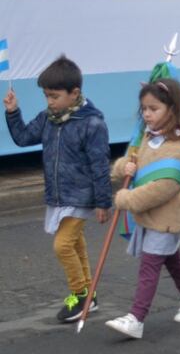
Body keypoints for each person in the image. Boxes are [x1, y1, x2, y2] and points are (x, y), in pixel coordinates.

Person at [3, 56, 111, 323]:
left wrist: (102, 202)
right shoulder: (48, 118)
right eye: (46, 96)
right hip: (59, 194)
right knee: (74, 243)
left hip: (81, 196)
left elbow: (100, 164)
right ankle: (89, 295)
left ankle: (79, 295)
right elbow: (23, 138)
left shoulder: (92, 123)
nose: (49, 102)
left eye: (54, 96)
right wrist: (13, 112)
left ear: (74, 93)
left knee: (62, 245)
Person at [104, 79, 180, 339]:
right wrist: (123, 166)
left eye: (154, 108)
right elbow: (136, 162)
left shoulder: (176, 145)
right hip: (149, 216)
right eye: (144, 109)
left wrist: (127, 199)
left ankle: (136, 318)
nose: (147, 114)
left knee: (150, 266)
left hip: (167, 216)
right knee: (172, 259)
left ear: (172, 109)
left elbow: (166, 186)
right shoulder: (149, 137)